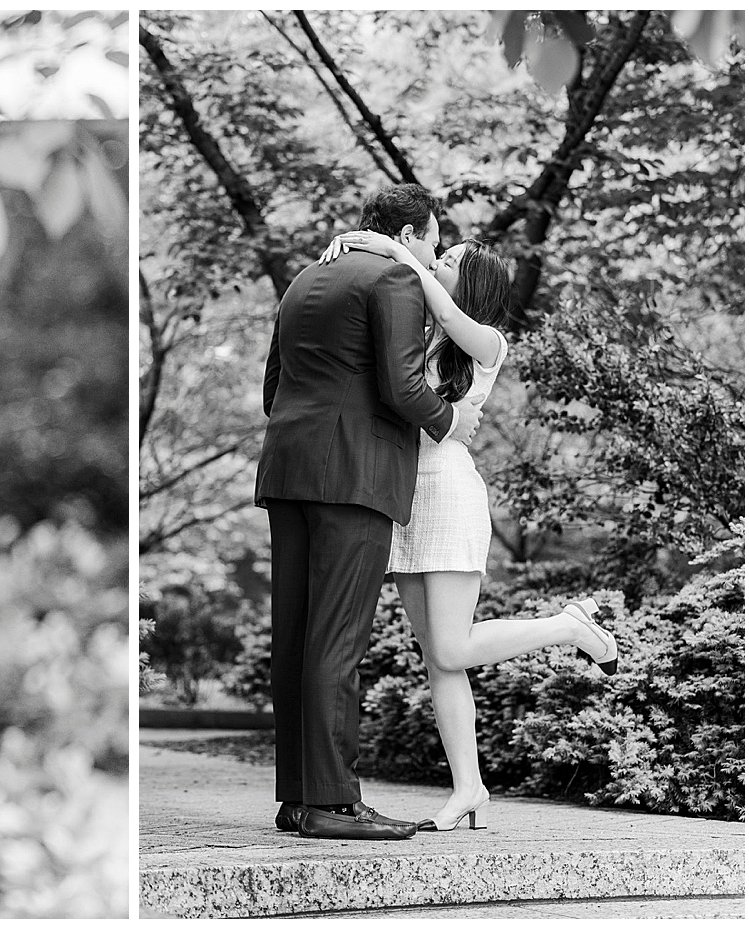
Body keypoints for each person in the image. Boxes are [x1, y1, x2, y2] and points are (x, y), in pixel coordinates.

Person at [318, 231, 620, 832]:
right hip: (404, 498)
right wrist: (358, 246)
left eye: (449, 260)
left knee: (452, 647)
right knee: (439, 661)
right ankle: (470, 788)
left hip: (451, 495)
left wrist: (396, 252)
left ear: (472, 280)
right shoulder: (420, 332)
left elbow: (442, 305)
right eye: (438, 255)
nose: (436, 262)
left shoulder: (486, 341)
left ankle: (567, 625)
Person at [253, 183, 483, 841]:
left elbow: (274, 389)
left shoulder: (304, 278)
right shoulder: (394, 280)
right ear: (410, 236)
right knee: (339, 634)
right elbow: (404, 383)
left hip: (289, 467)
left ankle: (297, 798)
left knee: (296, 633)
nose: (432, 256)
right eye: (433, 242)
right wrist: (450, 421)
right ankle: (332, 801)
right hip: (353, 474)